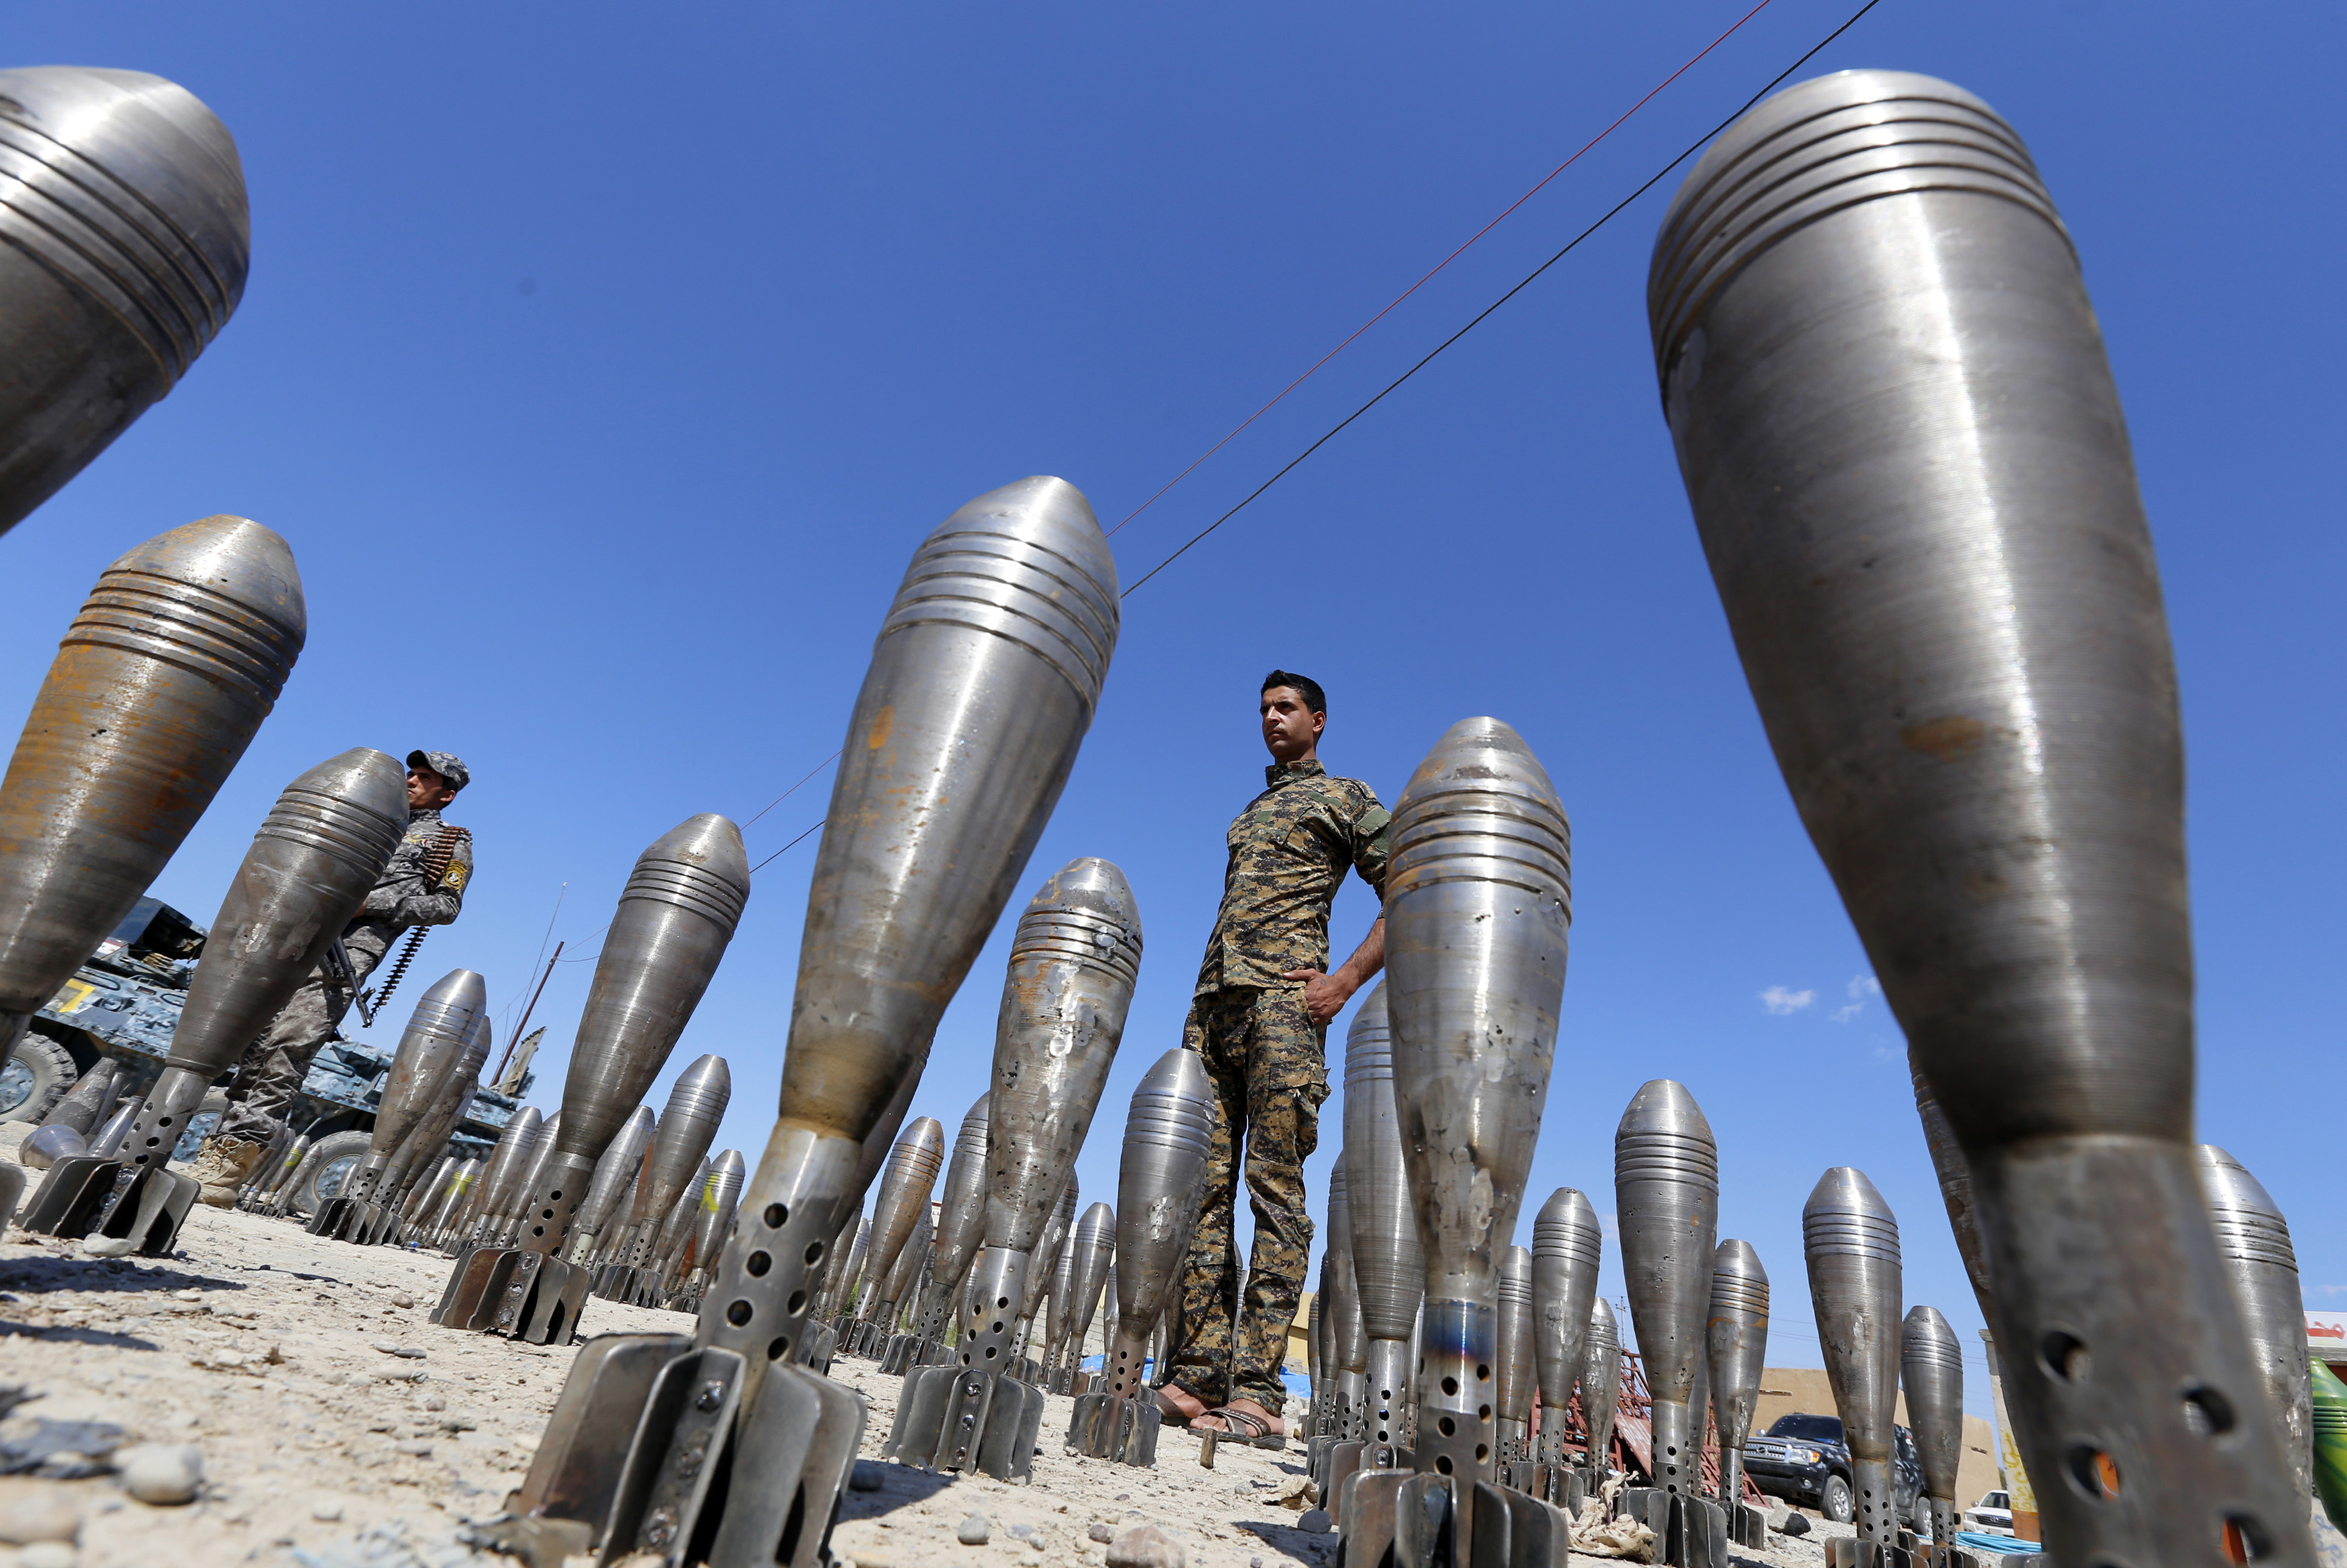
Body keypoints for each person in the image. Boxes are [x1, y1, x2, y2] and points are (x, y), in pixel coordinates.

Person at [1159, 672, 1389, 1444]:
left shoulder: (1346, 796)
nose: (1269, 717)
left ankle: (1258, 1392)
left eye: (1284, 707)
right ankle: (1196, 1375)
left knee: (1273, 1190)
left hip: (1283, 1011)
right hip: (1213, 1009)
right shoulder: (1251, 810)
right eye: (1261, 707)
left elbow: (1413, 888)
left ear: (1318, 720)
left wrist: (1343, 982)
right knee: (1199, 1193)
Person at [184, 750, 476, 1206]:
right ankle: (213, 1154)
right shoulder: (368, 815)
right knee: (256, 1042)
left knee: (291, 1043)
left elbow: (446, 907)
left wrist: (371, 906)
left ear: (448, 793)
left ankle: (228, 1167)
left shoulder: (448, 842)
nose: (412, 780)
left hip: (349, 953)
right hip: (296, 935)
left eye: (425, 778)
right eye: (412, 772)